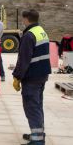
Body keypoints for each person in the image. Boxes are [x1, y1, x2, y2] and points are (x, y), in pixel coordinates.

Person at [13, 9, 51, 145]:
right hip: (42, 75)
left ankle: (37, 140)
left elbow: (24, 59)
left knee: (31, 107)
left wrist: (17, 76)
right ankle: (38, 134)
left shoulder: (29, 35)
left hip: (32, 77)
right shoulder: (41, 31)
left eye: (23, 19)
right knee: (37, 105)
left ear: (27, 19)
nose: (23, 21)